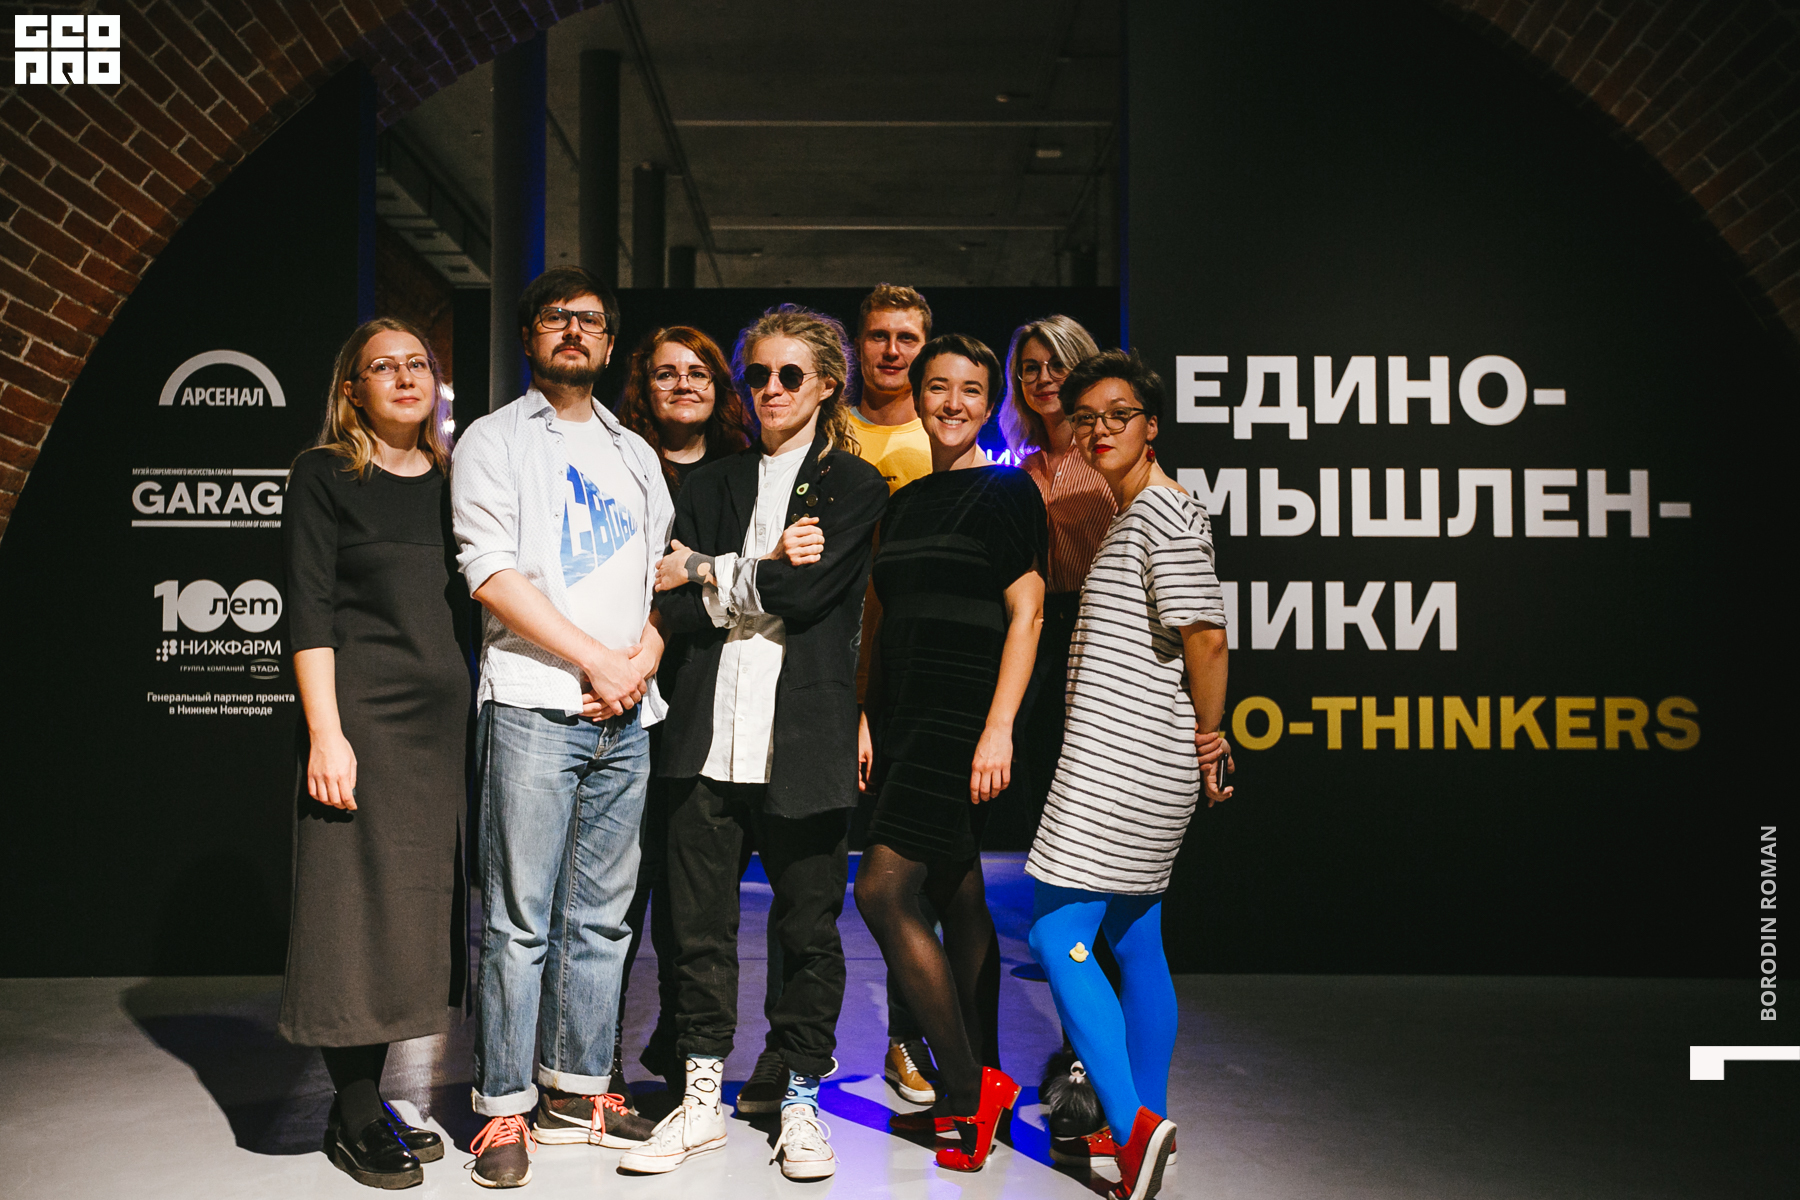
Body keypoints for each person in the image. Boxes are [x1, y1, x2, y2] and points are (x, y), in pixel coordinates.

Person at [620, 305, 887, 1181]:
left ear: (826, 386)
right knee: (693, 929)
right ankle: (700, 1096)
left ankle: (800, 1098)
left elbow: (806, 598)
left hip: (802, 738)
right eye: (759, 374)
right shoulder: (711, 483)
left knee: (807, 929)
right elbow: (671, 607)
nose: (771, 389)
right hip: (705, 736)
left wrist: (710, 569)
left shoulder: (854, 486)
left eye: (790, 375)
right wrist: (764, 565)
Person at [451, 266, 669, 1188]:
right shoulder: (494, 439)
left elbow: (653, 579)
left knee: (604, 920)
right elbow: (490, 574)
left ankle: (577, 1091)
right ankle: (503, 1107)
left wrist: (640, 660)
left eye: (590, 320)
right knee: (519, 921)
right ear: (529, 336)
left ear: (610, 345)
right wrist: (596, 662)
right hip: (535, 704)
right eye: (555, 318)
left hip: (628, 713)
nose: (573, 330)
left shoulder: (636, 453)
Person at [1024, 349, 1235, 1200]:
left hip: (1124, 762)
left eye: (1119, 415)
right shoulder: (1137, 513)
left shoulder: (1164, 513)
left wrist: (1211, 734)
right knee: (1135, 938)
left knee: (1056, 937)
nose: (1100, 430)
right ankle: (1149, 1124)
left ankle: (1131, 1127)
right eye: (1086, 419)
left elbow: (1206, 636)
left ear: (1152, 424)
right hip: (1137, 756)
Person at [280, 317, 469, 1190]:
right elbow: (309, 607)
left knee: (410, 915)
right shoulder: (325, 474)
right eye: (382, 367)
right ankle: (355, 1111)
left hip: (442, 733)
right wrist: (326, 733)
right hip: (361, 720)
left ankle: (369, 1097)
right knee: (352, 911)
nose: (404, 376)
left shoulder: (457, 483)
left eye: (417, 363)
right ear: (351, 388)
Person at [853, 334, 1046, 1172]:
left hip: (963, 717)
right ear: (918, 396)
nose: (953, 403)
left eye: (971, 390)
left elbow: (1028, 614)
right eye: (938, 387)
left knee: (882, 889)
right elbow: (880, 617)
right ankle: (986, 1077)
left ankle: (967, 1091)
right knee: (958, 893)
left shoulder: (1008, 492)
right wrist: (864, 712)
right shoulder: (902, 504)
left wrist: (1000, 726)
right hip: (903, 715)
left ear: (989, 404)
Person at [614, 326, 753, 1090]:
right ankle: (594, 1063)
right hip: (621, 691)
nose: (683, 384)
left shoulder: (744, 473)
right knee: (619, 894)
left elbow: (751, 591)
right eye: (666, 373)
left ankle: (676, 1054)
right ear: (645, 386)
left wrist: (695, 584)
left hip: (706, 698)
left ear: (719, 386)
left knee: (691, 900)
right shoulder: (620, 464)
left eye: (699, 372)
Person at [1000, 314, 1108, 837]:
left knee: (1101, 787)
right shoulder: (1024, 470)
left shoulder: (1113, 455)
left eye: (1057, 364)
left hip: (1104, 631)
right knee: (1043, 776)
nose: (1043, 378)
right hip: (1041, 635)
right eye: (1030, 368)